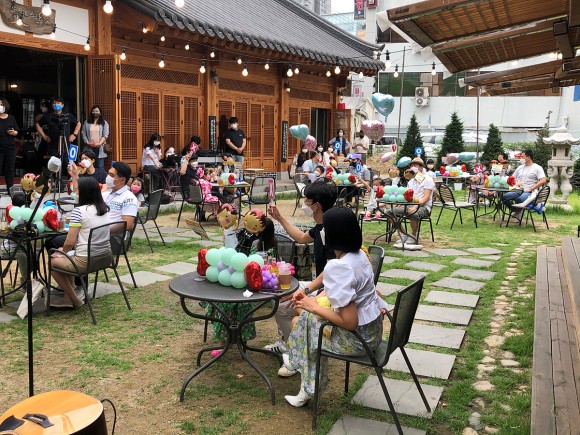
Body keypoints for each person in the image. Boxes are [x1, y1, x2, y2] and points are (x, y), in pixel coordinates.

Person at [282, 207, 388, 407]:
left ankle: (306, 384)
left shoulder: (341, 266)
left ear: (332, 234)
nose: (321, 232)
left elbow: (350, 322)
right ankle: (297, 365)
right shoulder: (358, 254)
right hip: (373, 332)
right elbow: (330, 274)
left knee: (307, 323)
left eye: (325, 228)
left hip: (358, 340)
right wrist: (308, 290)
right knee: (305, 319)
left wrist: (313, 306)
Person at [266, 182, 337, 376]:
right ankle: (288, 343)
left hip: (329, 289)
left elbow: (332, 272)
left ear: (317, 205)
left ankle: (294, 352)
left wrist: (306, 291)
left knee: (283, 304)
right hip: (321, 285)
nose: (304, 203)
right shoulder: (321, 226)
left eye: (307, 200)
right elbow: (301, 237)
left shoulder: (331, 231)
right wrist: (279, 217)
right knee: (280, 296)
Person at [209, 218, 276, 347]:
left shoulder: (267, 250)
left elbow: (266, 270)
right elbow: (234, 256)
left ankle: (230, 338)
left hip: (254, 285)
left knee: (232, 304)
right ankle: (228, 337)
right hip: (235, 279)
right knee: (221, 300)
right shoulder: (246, 238)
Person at [49, 177, 112, 309]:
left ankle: (74, 299)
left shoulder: (79, 211)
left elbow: (69, 242)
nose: (74, 193)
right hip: (106, 257)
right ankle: (67, 298)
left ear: (84, 192)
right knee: (66, 257)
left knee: (53, 261)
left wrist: (62, 251)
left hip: (86, 260)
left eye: (77, 190)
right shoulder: (104, 209)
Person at [384, 157, 434, 250]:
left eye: (415, 165)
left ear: (421, 167)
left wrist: (415, 207)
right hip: (409, 205)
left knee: (413, 213)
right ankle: (403, 233)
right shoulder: (411, 181)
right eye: (412, 165)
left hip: (424, 207)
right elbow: (408, 196)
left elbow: (426, 198)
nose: (413, 167)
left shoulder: (428, 180)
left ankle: (413, 235)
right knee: (389, 212)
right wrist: (401, 202)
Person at [35, 96, 81, 173]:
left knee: (67, 164)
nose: (56, 105)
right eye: (54, 103)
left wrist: (74, 134)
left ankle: (70, 179)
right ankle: (56, 179)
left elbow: (78, 123)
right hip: (53, 145)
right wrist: (44, 136)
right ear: (52, 105)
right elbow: (37, 124)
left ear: (62, 105)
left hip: (66, 144)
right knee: (54, 165)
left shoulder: (68, 115)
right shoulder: (48, 116)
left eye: (58, 103)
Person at [501, 149, 546, 219]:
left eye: (522, 157)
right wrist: (511, 182)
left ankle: (519, 211)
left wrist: (532, 188)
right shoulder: (520, 167)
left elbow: (543, 180)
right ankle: (516, 211)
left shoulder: (537, 168)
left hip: (529, 191)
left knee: (520, 199)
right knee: (504, 197)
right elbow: (512, 178)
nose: (521, 159)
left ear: (528, 157)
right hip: (518, 189)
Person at [81, 105, 109, 169]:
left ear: (100, 112)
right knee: (88, 165)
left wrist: (99, 143)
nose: (95, 112)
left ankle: (100, 176)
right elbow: (83, 133)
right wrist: (87, 142)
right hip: (89, 147)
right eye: (93, 111)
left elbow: (105, 135)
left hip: (100, 147)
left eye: (97, 111)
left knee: (100, 166)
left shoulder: (104, 123)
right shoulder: (87, 122)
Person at [0, 98, 19, 189]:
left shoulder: (11, 118)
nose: (0, 106)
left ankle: (10, 188)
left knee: (10, 169)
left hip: (10, 147)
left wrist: (14, 133)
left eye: (1, 104)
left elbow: (16, 131)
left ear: (5, 106)